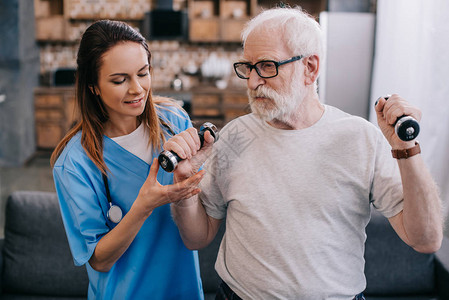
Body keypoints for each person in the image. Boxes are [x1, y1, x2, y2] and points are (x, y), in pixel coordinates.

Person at [167, 6, 444, 300]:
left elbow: (426, 239)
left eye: (267, 66)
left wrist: (407, 150)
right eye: (248, 67)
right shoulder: (233, 137)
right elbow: (197, 238)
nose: (252, 81)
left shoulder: (360, 137)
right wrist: (183, 187)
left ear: (310, 68)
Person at [50, 20, 208, 299]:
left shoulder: (175, 120)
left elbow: (201, 210)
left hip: (184, 290)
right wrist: (143, 206)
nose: (137, 89)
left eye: (143, 73)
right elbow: (99, 259)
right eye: (120, 80)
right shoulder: (75, 163)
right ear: (93, 86)